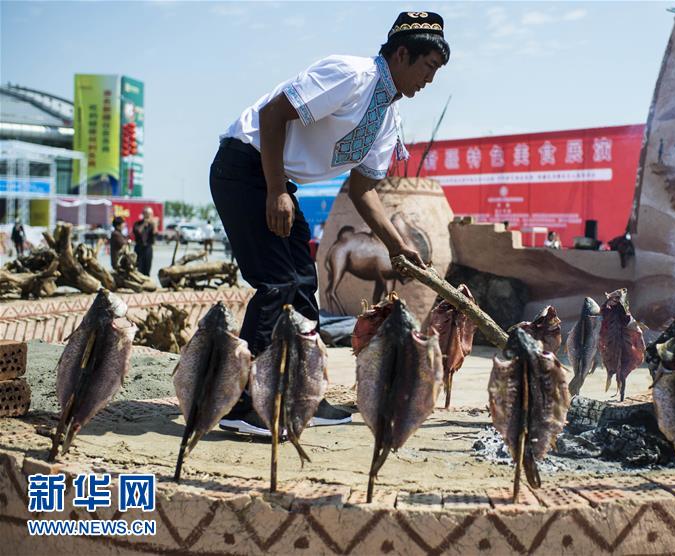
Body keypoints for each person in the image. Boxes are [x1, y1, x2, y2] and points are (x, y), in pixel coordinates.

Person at [210, 11, 449, 437]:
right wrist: (275, 191)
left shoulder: (389, 119)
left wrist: (397, 247)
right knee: (276, 283)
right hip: (244, 168)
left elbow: (363, 192)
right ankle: (242, 404)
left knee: (304, 284)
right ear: (401, 54)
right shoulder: (351, 75)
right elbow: (272, 115)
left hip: (275, 180)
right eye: (428, 65)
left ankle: (302, 393)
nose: (430, 78)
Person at [132, 207, 157, 275]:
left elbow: (155, 234)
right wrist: (144, 224)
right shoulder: (138, 223)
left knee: (147, 268)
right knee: (138, 268)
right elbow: (138, 232)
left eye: (150, 214)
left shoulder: (151, 225)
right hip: (139, 248)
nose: (148, 216)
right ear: (143, 214)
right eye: (147, 214)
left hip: (148, 248)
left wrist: (155, 225)